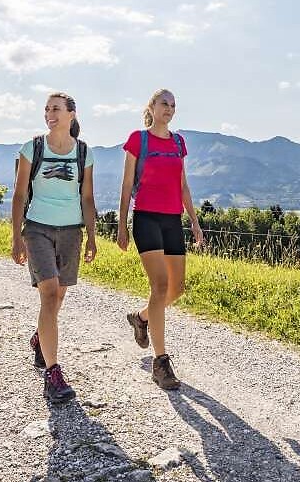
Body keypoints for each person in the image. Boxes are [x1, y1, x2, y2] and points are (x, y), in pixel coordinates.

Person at [11, 92, 97, 404]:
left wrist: (92, 235)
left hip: (72, 231)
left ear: (72, 114)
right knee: (48, 294)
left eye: (56, 109)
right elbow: (20, 195)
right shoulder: (32, 148)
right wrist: (16, 235)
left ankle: (39, 339)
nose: (50, 114)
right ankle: (53, 373)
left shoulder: (84, 152)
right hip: (37, 228)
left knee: (59, 296)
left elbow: (87, 198)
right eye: (47, 109)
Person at [117, 88, 204, 390]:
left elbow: (183, 187)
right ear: (151, 107)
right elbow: (127, 184)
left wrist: (194, 221)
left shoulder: (179, 143)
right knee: (161, 286)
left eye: (173, 105)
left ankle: (141, 318)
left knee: (177, 289)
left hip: (172, 219)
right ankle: (161, 362)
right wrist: (122, 224)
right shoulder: (137, 140)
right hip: (146, 219)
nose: (169, 108)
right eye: (164, 103)